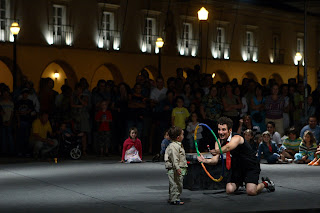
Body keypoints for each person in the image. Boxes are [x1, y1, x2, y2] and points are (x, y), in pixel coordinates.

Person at [197, 117, 275, 196]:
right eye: (219, 129)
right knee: (229, 190)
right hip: (237, 166)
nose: (221, 132)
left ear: (230, 130)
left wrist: (217, 151)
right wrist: (205, 160)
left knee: (251, 191)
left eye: (223, 129)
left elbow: (228, 147)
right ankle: (241, 182)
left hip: (250, 165)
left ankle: (266, 183)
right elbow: (215, 160)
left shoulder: (237, 138)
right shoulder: (218, 141)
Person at [164, 126, 187, 205]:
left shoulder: (177, 145)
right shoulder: (174, 146)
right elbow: (175, 158)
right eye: (182, 135)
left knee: (174, 184)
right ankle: (175, 199)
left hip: (177, 168)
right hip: (175, 169)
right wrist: (177, 167)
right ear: (178, 137)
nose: (183, 136)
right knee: (176, 184)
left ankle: (173, 198)